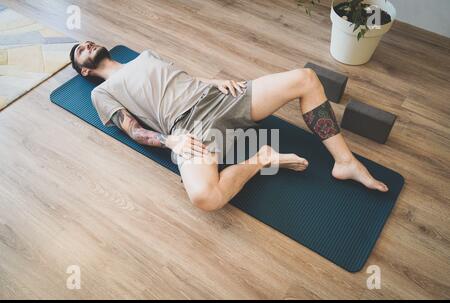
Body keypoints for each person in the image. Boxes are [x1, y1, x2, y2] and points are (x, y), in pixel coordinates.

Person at [70, 41, 388, 212]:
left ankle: (345, 162)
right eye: (80, 51)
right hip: (187, 128)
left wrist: (216, 81)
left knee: (305, 79)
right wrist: (170, 142)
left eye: (87, 43)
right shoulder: (101, 93)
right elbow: (132, 129)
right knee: (205, 198)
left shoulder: (145, 56)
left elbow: (182, 79)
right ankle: (262, 159)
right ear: (84, 71)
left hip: (215, 97)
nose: (87, 46)